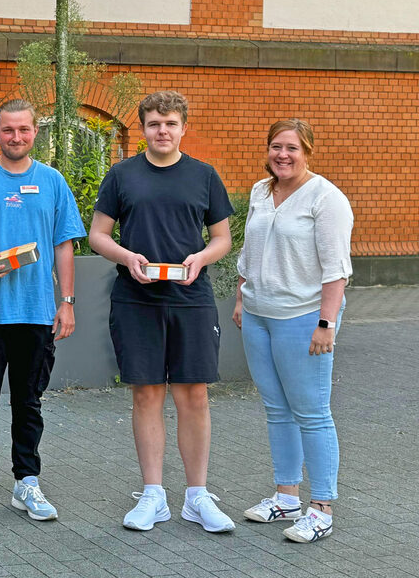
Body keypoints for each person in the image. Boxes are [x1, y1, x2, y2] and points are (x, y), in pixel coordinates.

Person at [88, 90, 236, 533]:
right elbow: (97, 235)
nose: (162, 131)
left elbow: (222, 239)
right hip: (136, 299)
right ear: (143, 129)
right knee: (146, 393)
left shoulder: (204, 176)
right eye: (154, 124)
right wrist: (127, 256)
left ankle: (196, 496)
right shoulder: (122, 175)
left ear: (183, 127)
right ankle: (154, 495)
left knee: (193, 394)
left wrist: (201, 259)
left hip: (191, 298)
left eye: (170, 123)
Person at [0, 99, 84, 523]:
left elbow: (65, 244)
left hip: (36, 311)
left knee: (29, 401)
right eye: (8, 130)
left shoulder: (53, 181)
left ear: (34, 133)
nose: (16, 137)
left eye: (24, 130)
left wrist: (68, 302)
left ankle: (27, 482)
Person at [234, 119, 353, 543]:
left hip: (302, 319)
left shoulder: (326, 199)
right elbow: (251, 251)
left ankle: (321, 507)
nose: (283, 155)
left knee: (313, 414)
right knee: (277, 410)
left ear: (308, 152)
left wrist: (327, 323)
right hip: (259, 316)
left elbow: (336, 269)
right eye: (276, 147)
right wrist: (241, 296)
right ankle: (286, 497)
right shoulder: (261, 192)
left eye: (292, 148)